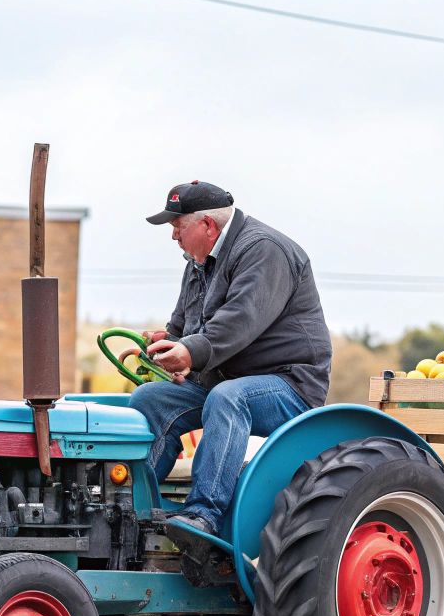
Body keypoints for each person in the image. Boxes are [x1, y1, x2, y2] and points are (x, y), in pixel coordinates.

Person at [127, 180, 332, 544]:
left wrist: (190, 352)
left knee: (228, 397)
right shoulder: (198, 262)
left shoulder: (264, 250)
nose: (173, 235)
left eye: (178, 225)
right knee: (150, 399)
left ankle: (203, 515)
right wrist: (163, 344)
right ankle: (131, 509)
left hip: (287, 384)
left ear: (208, 225)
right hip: (224, 377)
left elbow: (240, 321)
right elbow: (183, 326)